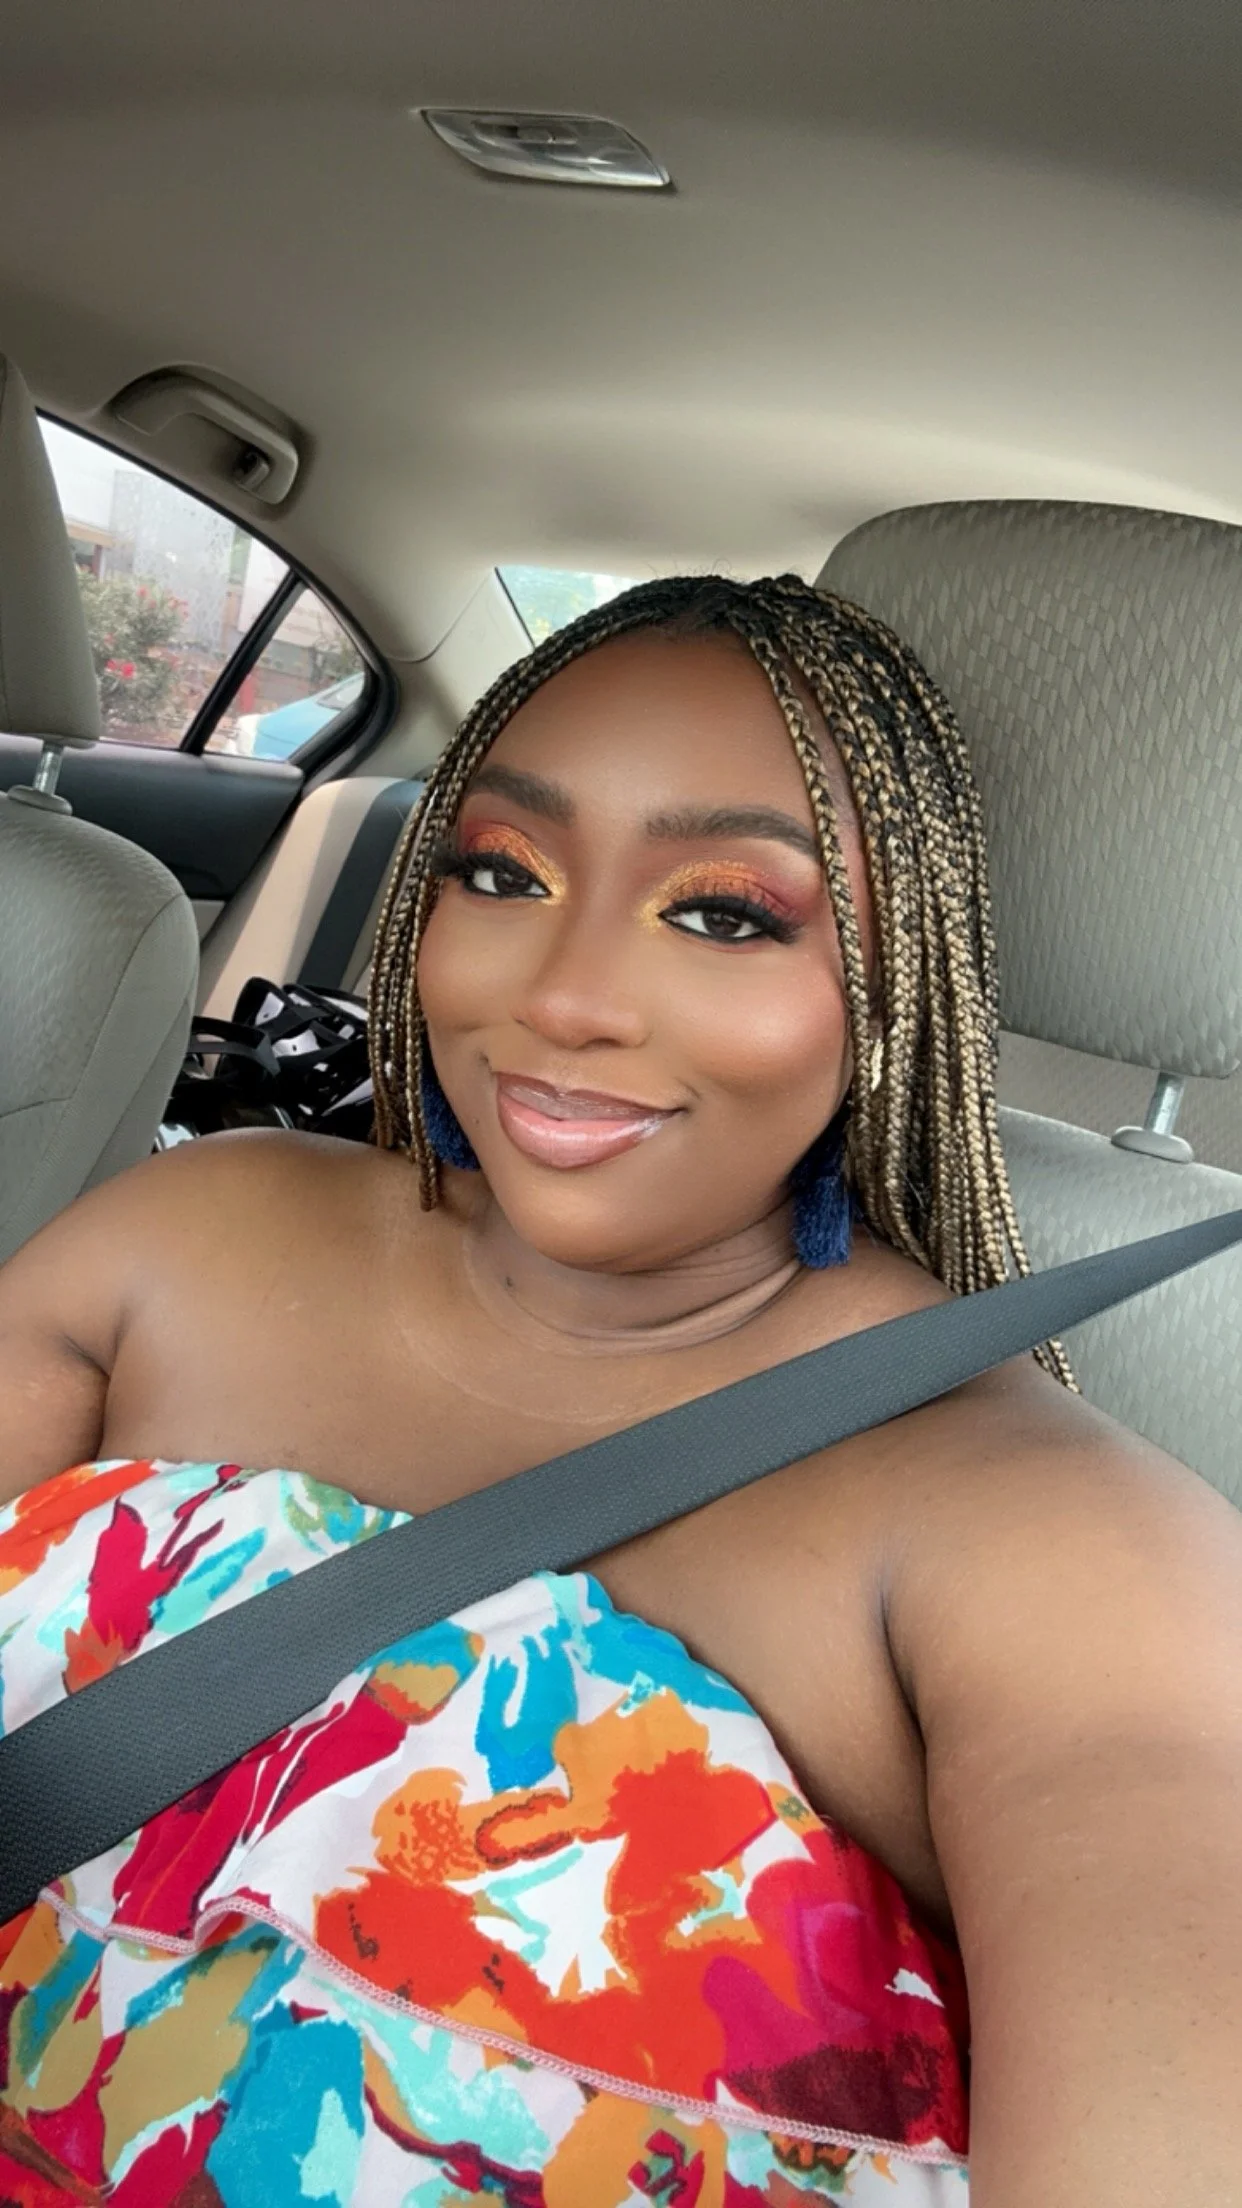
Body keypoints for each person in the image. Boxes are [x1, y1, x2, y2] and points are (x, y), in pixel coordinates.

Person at [0, 574, 1238, 2207]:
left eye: (726, 912)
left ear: (892, 986)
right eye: (500, 873)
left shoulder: (1072, 1560)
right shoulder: (173, 1239)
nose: (562, 996)